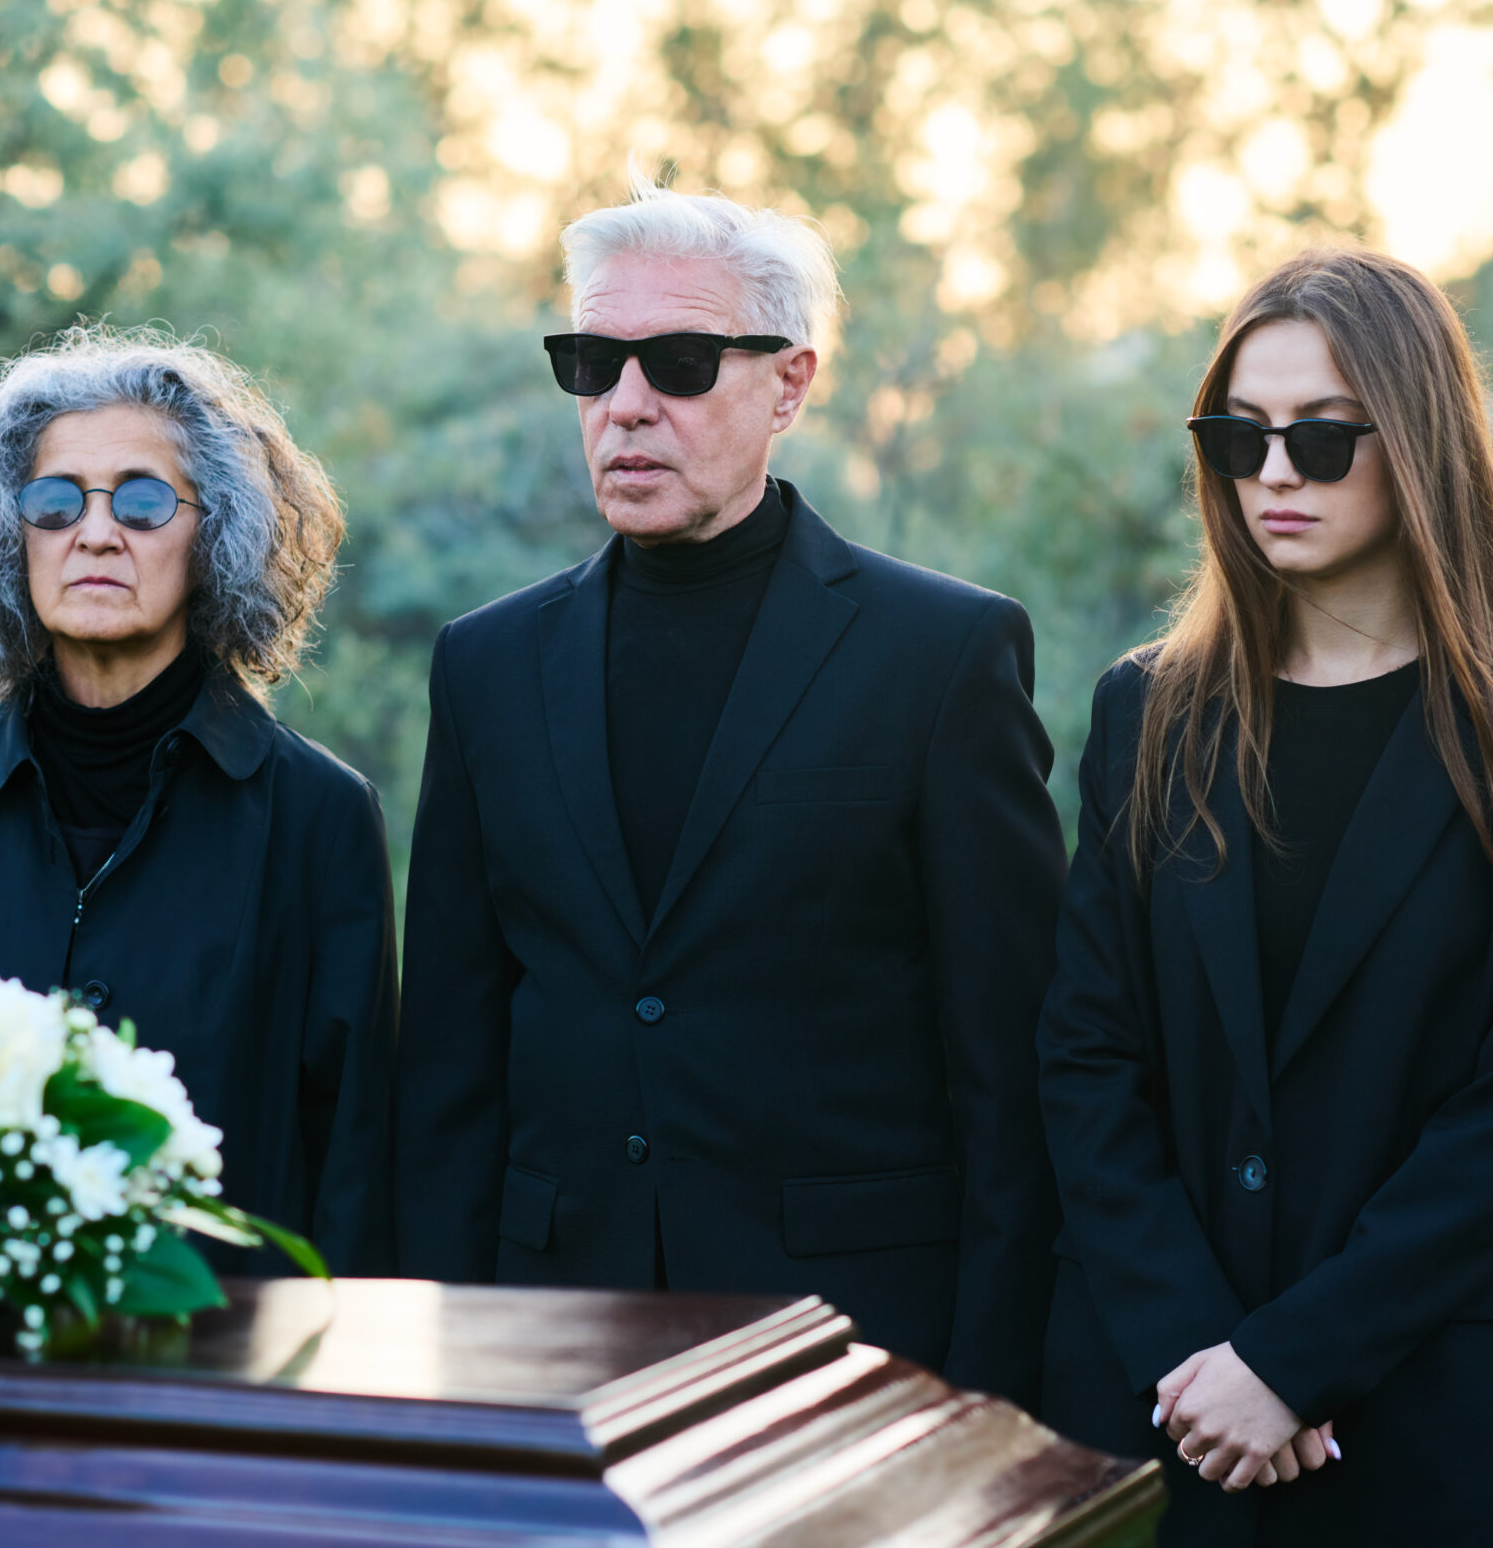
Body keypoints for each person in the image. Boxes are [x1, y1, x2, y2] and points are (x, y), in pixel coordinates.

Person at [1038, 245, 1493, 1548]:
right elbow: (1087, 1052)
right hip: (1175, 1416)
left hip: (1436, 1414)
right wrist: (1204, 1356)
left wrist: (1294, 1363)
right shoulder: (1148, 713)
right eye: (1237, 436)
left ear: (1419, 440)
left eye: (1319, 437)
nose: (1273, 475)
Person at [393, 175, 1066, 1406]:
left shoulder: (941, 655)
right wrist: (439, 1392)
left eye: (680, 363)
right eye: (592, 363)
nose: (626, 404)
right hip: (549, 1347)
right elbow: (448, 1071)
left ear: (789, 385)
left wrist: (987, 1402)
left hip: (853, 1353)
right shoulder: (485, 666)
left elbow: (1008, 1077)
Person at [0, 327, 394, 1275]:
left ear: (213, 535)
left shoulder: (319, 818)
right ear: (11, 535)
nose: (95, 533)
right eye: (55, 502)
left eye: (142, 501)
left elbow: (357, 1164)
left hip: (223, 1350)